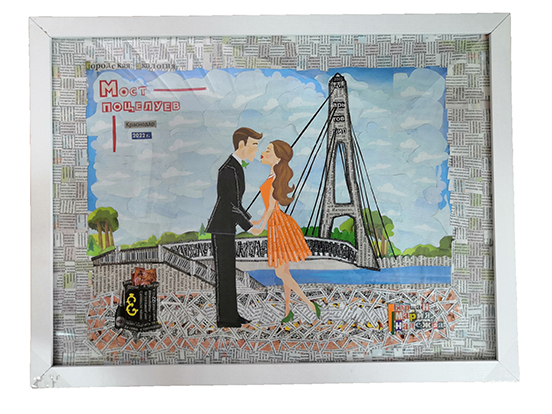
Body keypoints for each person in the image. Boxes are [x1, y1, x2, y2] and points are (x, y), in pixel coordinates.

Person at [250, 140, 321, 323]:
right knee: (285, 272)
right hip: (277, 222)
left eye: (268, 150)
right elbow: (269, 206)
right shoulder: (272, 176)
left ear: (278, 158)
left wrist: (260, 227)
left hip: (278, 225)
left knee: (281, 273)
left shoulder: (274, 179)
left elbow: (271, 207)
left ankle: (309, 304)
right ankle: (288, 310)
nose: (264, 152)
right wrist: (259, 221)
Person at [206, 127, 262, 328]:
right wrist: (249, 227)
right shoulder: (228, 169)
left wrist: (250, 220)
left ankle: (231, 315)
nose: (256, 150)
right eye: (253, 145)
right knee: (224, 275)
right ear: (241, 144)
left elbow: (236, 203)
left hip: (227, 227)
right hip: (221, 228)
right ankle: (225, 318)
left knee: (228, 273)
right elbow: (229, 204)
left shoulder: (235, 167)